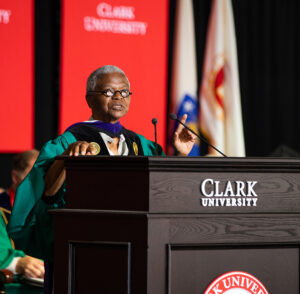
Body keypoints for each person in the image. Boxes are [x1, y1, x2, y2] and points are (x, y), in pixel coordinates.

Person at [8, 65, 196, 262]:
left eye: (124, 92)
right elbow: (44, 195)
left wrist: (180, 155)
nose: (118, 97)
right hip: (84, 249)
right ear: (89, 99)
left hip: (137, 248)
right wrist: (65, 160)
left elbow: (165, 191)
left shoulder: (143, 145)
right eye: (108, 91)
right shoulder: (67, 143)